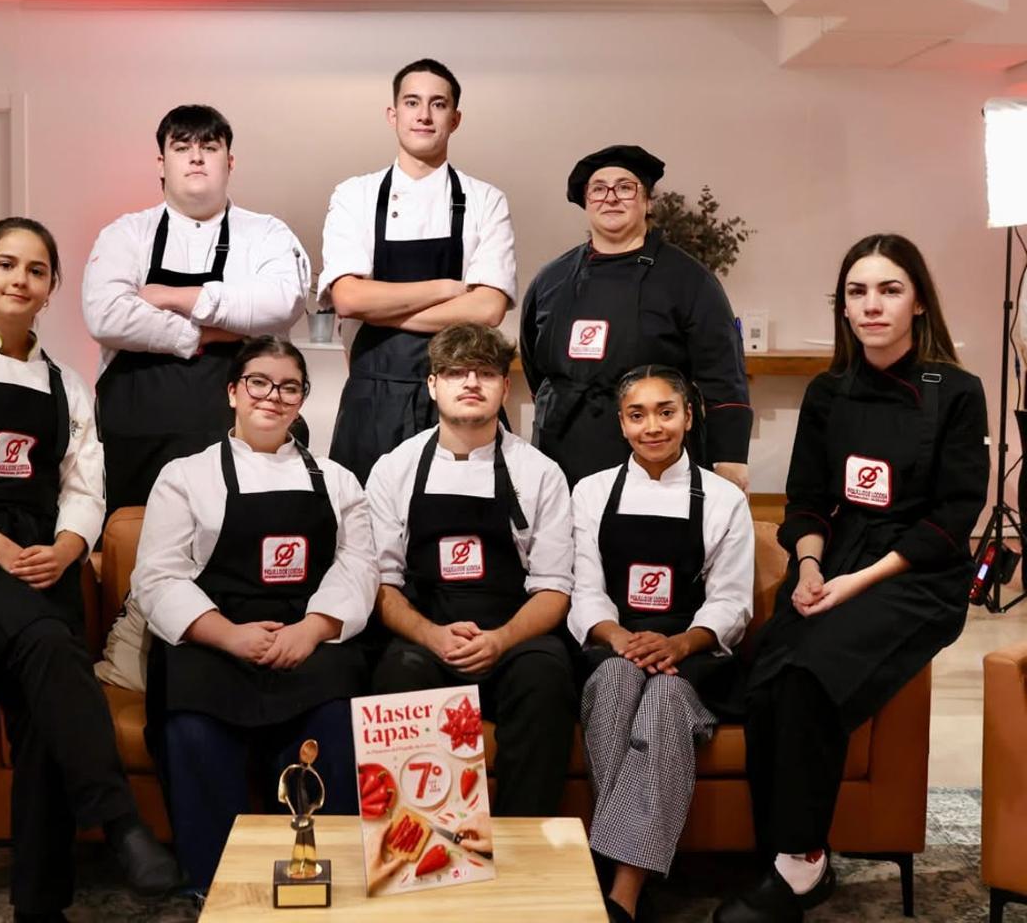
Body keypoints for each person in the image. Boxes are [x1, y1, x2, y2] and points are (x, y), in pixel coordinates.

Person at [0, 218, 180, 922]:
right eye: (6, 264)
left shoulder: (68, 386)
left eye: (37, 270)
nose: (21, 279)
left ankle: (39, 909)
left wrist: (69, 549)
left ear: (51, 289)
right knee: (49, 643)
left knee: (48, 713)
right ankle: (122, 823)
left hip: (42, 562)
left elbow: (85, 489)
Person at [713, 234, 990, 923]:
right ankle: (777, 852)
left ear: (918, 302)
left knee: (810, 676)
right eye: (857, 292)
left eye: (889, 290)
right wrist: (809, 566)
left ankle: (801, 863)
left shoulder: (956, 391)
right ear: (843, 306)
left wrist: (858, 582)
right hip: (836, 561)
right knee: (766, 676)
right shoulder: (828, 391)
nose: (872, 305)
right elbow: (808, 500)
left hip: (918, 575)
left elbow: (954, 517)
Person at [132, 336, 377, 894]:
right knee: (192, 729)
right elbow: (158, 576)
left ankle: (320, 877)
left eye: (289, 387)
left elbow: (358, 569)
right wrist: (229, 636)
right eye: (258, 383)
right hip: (213, 640)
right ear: (233, 392)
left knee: (335, 724)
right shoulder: (184, 475)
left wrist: (312, 630)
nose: (273, 396)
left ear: (302, 398)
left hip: (307, 641)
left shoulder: (337, 480)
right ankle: (217, 885)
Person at [366, 323, 576, 816]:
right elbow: (381, 584)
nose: (471, 383)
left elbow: (554, 589)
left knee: (546, 677)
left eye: (485, 372)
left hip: (514, 636)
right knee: (398, 672)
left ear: (505, 386)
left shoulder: (540, 473)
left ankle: (525, 841)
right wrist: (431, 635)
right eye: (456, 372)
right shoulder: (394, 469)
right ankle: (427, 846)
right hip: (427, 635)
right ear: (432, 384)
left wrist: (501, 639)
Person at [569, 364, 753, 923]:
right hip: (614, 645)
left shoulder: (723, 498)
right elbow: (585, 589)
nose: (653, 426)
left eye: (666, 412)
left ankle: (621, 889)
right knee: (617, 680)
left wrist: (680, 643)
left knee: (665, 700)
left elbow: (732, 600)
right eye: (637, 414)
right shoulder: (591, 492)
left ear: (688, 417)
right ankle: (628, 872)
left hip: (693, 655)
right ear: (621, 424)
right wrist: (621, 638)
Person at [83, 104, 310, 517]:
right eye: (182, 147)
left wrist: (170, 296)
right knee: (135, 539)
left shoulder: (266, 233)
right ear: (161, 163)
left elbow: (280, 305)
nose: (196, 157)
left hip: (239, 436)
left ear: (230, 162)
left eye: (209, 147)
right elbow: (106, 316)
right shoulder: (126, 233)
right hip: (138, 438)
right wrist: (205, 333)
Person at [321, 58, 517, 484]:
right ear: (393, 115)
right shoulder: (355, 195)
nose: (424, 115)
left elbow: (487, 309)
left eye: (437, 104)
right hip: (374, 394)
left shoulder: (485, 200)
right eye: (412, 102)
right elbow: (348, 299)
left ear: (455, 118)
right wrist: (445, 288)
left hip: (460, 392)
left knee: (465, 512)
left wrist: (380, 309)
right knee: (365, 514)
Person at [520, 144, 751, 490]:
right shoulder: (551, 278)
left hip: (654, 452)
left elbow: (724, 374)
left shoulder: (689, 279)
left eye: (625, 188)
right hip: (563, 449)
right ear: (586, 201)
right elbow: (535, 368)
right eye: (599, 189)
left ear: (648, 201)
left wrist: (730, 458)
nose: (611, 197)